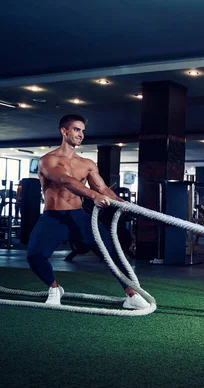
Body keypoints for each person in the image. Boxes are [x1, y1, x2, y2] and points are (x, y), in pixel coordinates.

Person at [26, 114, 150, 309]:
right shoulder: (47, 161)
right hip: (53, 217)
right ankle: (54, 288)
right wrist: (93, 196)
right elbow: (66, 181)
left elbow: (103, 189)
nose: (81, 134)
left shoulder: (87, 164)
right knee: (34, 256)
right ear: (64, 131)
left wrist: (121, 202)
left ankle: (132, 295)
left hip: (79, 217)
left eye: (83, 131)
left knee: (113, 253)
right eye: (76, 129)